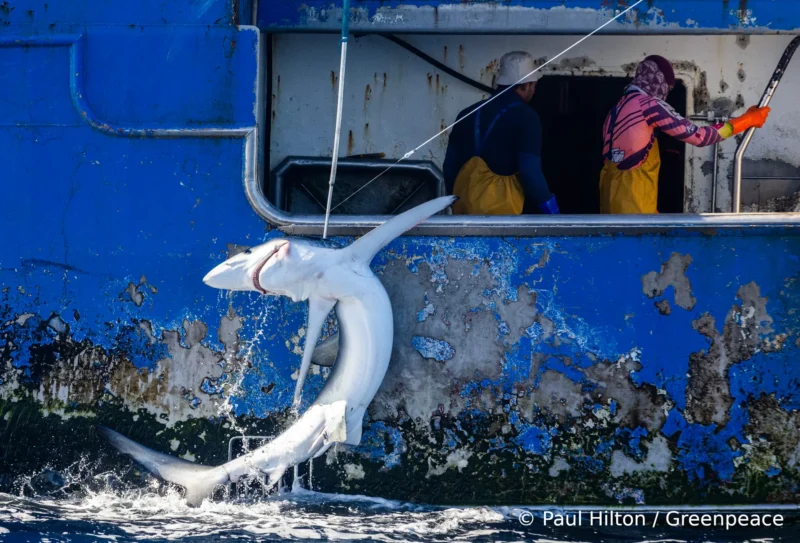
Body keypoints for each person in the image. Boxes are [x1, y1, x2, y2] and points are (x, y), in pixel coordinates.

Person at [600, 55, 771, 214]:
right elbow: (701, 137)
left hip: (610, 203)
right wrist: (747, 120)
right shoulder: (649, 105)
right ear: (659, 81)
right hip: (634, 208)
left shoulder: (616, 109)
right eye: (668, 88)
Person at [442, 51, 559, 215]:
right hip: (501, 218)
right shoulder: (527, 117)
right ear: (526, 85)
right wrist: (552, 211)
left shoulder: (466, 113)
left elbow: (449, 167)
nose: (534, 90)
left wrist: (460, 202)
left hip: (464, 213)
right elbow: (529, 171)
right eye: (534, 85)